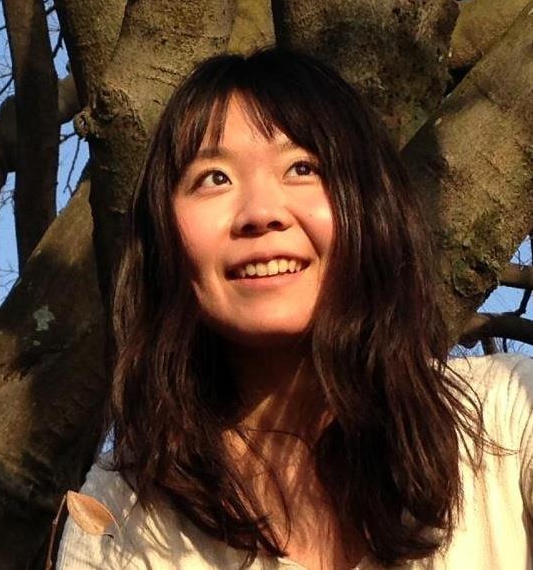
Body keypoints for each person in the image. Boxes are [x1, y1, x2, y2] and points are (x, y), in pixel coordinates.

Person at [55, 48, 533, 569]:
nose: (260, 213)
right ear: (164, 241)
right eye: (214, 178)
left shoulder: (511, 415)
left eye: (302, 168)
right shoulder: (122, 516)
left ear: (371, 211)